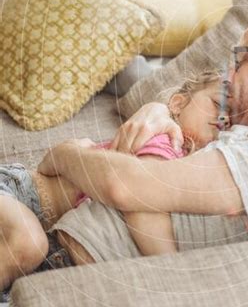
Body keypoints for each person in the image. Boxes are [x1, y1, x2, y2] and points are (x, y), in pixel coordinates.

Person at [36, 4, 248, 262]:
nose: (231, 76)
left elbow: (125, 187)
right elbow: (179, 124)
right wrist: (159, 110)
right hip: (59, 238)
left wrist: (67, 153)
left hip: (66, 265)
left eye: (241, 60)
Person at [0, 70, 226, 295]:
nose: (222, 119)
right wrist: (174, 269)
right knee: (28, 244)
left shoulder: (186, 171)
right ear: (178, 103)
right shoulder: (165, 141)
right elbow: (140, 204)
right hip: (21, 192)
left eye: (232, 119)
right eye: (217, 103)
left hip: (37, 223)